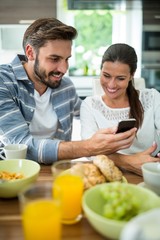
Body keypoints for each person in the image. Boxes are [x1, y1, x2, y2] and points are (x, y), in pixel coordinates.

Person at [0, 19, 136, 164]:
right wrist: (89, 147)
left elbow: (88, 110)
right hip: (13, 172)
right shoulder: (4, 82)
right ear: (30, 52)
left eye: (66, 59)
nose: (64, 69)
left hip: (58, 168)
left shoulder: (65, 85)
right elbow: (21, 145)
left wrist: (119, 99)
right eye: (54, 59)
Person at [80, 43, 160, 175]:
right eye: (106, 75)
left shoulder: (152, 97)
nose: (111, 84)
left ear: (131, 75)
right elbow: (90, 151)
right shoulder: (90, 105)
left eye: (120, 78)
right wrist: (128, 161)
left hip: (152, 171)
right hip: (110, 173)